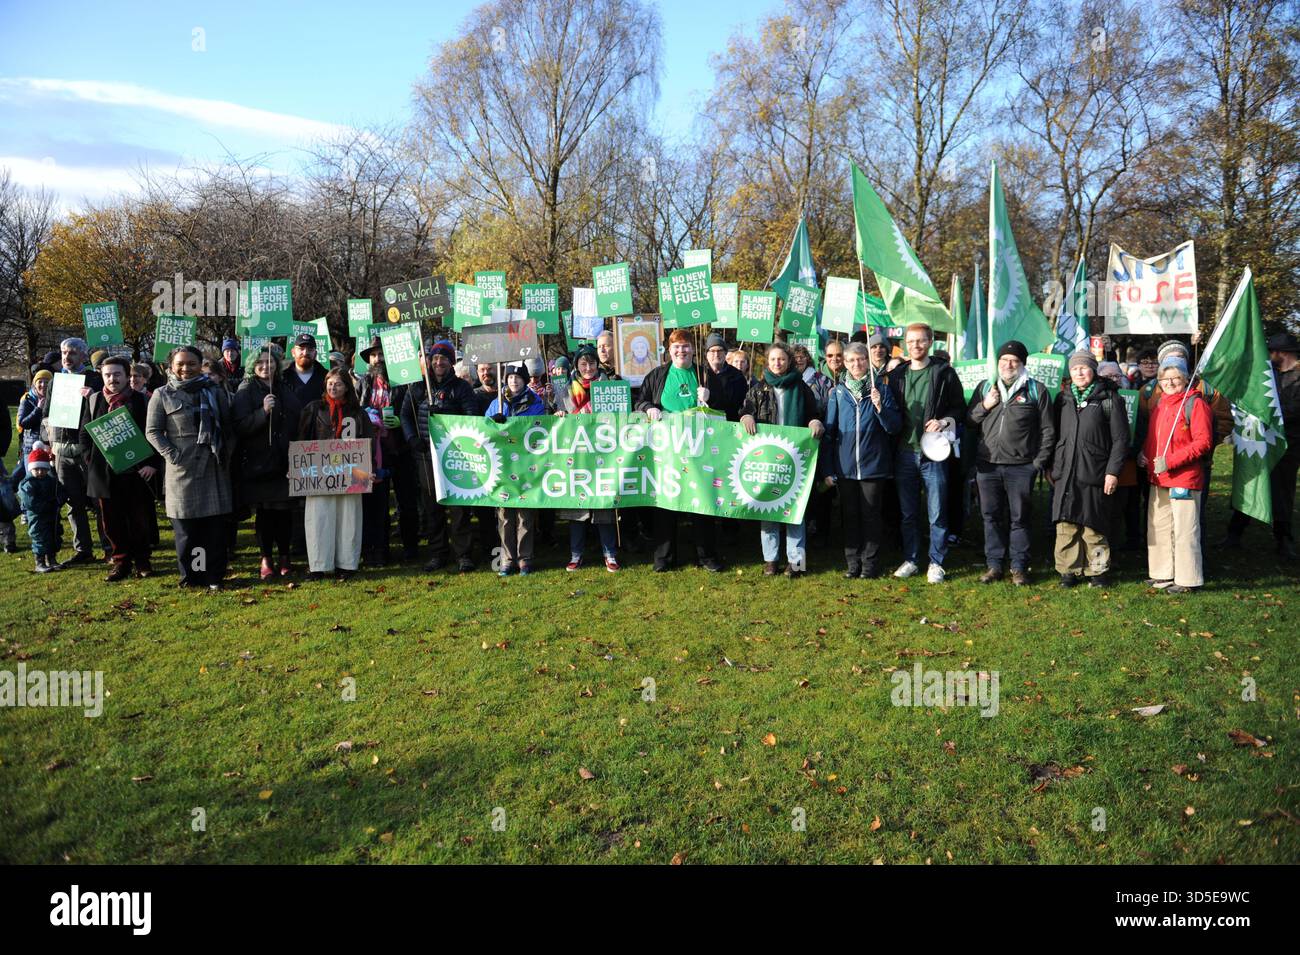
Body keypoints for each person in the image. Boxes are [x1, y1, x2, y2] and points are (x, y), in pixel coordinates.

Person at [966, 339, 1056, 585]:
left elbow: (1048, 430)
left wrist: (1038, 463)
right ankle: (994, 565)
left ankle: (1019, 567)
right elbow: (969, 421)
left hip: (1021, 467)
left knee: (1020, 518)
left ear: (1022, 364)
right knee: (991, 516)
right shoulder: (986, 387)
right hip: (988, 465)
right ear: (998, 362)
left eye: (1014, 360)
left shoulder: (1036, 390)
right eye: (1004, 360)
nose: (1008, 364)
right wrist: (985, 405)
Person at [146, 345, 233, 590]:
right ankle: (194, 575)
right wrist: (173, 456)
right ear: (171, 366)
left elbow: (228, 427)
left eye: (192, 363)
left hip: (213, 467)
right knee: (188, 530)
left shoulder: (214, 391)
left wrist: (225, 454)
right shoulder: (162, 394)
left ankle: (213, 577)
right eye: (180, 364)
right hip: (182, 470)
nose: (186, 368)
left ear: (200, 364)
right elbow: (153, 432)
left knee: (213, 530)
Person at [637, 329, 725, 572]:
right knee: (666, 503)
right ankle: (664, 558)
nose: (681, 350)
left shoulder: (704, 374)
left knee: (701, 502)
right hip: (667, 451)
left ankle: (706, 556)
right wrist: (648, 407)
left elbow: (724, 407)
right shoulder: (657, 375)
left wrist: (710, 396)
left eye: (685, 346)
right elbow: (641, 400)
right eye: (676, 346)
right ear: (669, 350)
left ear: (693, 349)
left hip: (699, 450)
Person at [739, 341, 824, 577]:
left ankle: (796, 562)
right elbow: (746, 409)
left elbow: (813, 412)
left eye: (782, 359)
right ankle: (771, 559)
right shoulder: (759, 389)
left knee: (795, 508)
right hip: (768, 457)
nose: (778, 363)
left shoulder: (801, 387)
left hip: (794, 456)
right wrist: (746, 416)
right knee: (769, 508)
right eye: (774, 359)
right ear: (768, 362)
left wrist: (815, 421)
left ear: (789, 361)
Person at [889, 323, 965, 583]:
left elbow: (960, 408)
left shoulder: (944, 373)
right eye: (911, 341)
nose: (915, 346)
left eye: (921, 341)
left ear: (931, 342)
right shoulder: (897, 375)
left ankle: (936, 562)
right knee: (908, 513)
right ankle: (911, 559)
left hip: (933, 453)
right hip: (904, 452)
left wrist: (943, 421)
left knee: (937, 511)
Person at [821, 341, 902, 578]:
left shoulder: (881, 390)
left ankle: (869, 564)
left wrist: (880, 407)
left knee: (871, 516)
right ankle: (852, 563)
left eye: (861, 359)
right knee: (850, 516)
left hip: (873, 466)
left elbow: (894, 427)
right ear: (845, 364)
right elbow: (829, 433)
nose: (856, 364)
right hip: (845, 468)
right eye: (851, 360)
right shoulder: (838, 393)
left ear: (867, 361)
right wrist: (828, 468)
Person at [77, 356, 161, 580]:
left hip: (137, 472)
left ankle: (142, 561)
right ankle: (121, 561)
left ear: (126, 375)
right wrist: (90, 459)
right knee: (111, 522)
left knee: (139, 520)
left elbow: (155, 433)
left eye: (117, 374)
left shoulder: (143, 401)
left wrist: (151, 464)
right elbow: (84, 433)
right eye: (107, 375)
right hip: (104, 473)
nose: (112, 379)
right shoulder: (94, 400)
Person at [1050, 351, 1128, 588]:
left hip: (1095, 472)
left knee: (1094, 527)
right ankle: (1068, 571)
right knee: (1066, 526)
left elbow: (1121, 439)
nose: (1079, 373)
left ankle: (1098, 572)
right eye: (1075, 369)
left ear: (1093, 370)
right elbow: (1054, 435)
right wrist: (1053, 467)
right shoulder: (1063, 399)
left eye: (1084, 368)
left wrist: (1112, 472)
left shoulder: (1109, 399)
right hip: (1066, 473)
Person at [400, 340, 479, 572]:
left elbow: (472, 416)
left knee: (458, 507)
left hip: (456, 455)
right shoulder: (418, 387)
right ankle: (437, 553)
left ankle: (463, 554)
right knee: (432, 506)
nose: (438, 362)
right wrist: (412, 438)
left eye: (443, 358)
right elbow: (405, 415)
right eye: (434, 358)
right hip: (426, 455)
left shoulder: (461, 388)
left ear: (451, 362)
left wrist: (443, 415)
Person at [1140, 354, 1212, 593]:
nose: (1170, 383)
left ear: (1185, 379)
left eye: (1175, 378)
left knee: (1185, 529)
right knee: (1159, 527)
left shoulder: (1195, 404)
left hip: (1184, 478)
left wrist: (1170, 462)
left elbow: (1203, 442)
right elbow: (1155, 438)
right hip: (1158, 477)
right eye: (1165, 378)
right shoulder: (1160, 404)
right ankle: (1162, 573)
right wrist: (1144, 454)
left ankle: (1188, 578)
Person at [232, 344, 301, 579]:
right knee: (265, 515)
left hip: (284, 462)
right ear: (252, 365)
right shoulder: (245, 390)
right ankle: (266, 558)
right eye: (260, 362)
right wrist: (262, 412)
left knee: (285, 513)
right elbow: (240, 426)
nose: (265, 366)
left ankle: (285, 557)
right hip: (259, 464)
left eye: (270, 361)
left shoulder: (283, 387)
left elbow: (296, 417)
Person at [297, 368, 373, 581]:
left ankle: (347, 564)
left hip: (351, 473)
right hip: (319, 475)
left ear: (346, 387)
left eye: (338, 383)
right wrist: (296, 468)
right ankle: (318, 565)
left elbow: (368, 441)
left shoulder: (358, 413)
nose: (333, 387)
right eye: (330, 383)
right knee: (319, 518)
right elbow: (302, 440)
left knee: (349, 518)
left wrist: (370, 469)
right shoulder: (314, 409)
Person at [558, 344, 622, 572]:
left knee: (604, 504)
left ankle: (610, 553)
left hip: (604, 453)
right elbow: (558, 415)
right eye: (583, 363)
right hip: (576, 455)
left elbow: (620, 415)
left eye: (592, 363)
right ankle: (576, 554)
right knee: (577, 507)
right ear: (576, 365)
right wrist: (561, 414)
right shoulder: (566, 389)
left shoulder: (609, 386)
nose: (588, 368)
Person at [356, 336, 415, 567]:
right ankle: (381, 550)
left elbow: (413, 410)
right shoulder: (364, 383)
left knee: (406, 502)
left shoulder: (403, 381)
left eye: (381, 354)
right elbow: (356, 411)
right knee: (376, 504)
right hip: (374, 453)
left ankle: (410, 548)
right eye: (373, 355)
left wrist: (401, 422)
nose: (377, 359)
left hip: (401, 448)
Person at [486, 364, 546, 575]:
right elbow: (485, 427)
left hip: (526, 464)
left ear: (525, 380)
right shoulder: (497, 402)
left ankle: (525, 558)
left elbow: (538, 426)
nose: (513, 381)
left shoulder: (534, 402)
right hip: (503, 465)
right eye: (510, 377)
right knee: (504, 514)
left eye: (518, 377)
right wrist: (495, 422)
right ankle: (507, 559)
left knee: (524, 514)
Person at [48, 337, 103, 566]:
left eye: (71, 353)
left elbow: (105, 410)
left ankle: (110, 548)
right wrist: (49, 445)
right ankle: (83, 550)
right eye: (63, 352)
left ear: (83, 355)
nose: (66, 357)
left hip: (87, 450)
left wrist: (93, 396)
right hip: (62, 450)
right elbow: (47, 414)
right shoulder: (56, 381)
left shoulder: (95, 380)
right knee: (73, 503)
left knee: (99, 501)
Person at [18, 443, 61, 572]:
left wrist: (59, 500)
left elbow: (60, 491)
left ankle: (52, 560)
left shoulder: (51, 480)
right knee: (40, 538)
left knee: (53, 536)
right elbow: (30, 502)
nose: (40, 472)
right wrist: (47, 506)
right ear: (31, 469)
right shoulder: (28, 484)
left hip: (51, 515)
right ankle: (40, 562)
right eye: (37, 469)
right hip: (37, 517)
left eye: (43, 469)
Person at [703, 333, 747, 422]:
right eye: (712, 351)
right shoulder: (699, 373)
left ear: (725, 353)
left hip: (728, 424)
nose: (716, 354)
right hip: (704, 424)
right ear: (707, 354)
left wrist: (710, 398)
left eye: (720, 350)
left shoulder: (737, 376)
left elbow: (737, 405)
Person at [281, 333, 327, 406]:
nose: (305, 353)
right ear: (293, 352)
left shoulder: (326, 377)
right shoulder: (282, 377)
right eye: (301, 349)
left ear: (315, 354)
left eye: (310, 349)